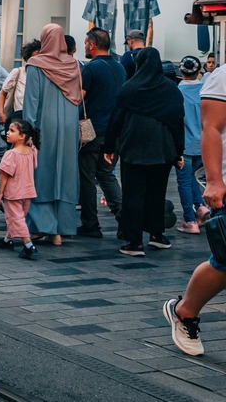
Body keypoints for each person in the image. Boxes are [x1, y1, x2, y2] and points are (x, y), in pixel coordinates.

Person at [163, 59, 226, 357]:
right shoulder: (222, 78)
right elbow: (211, 128)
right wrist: (213, 181)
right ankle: (185, 311)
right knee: (225, 262)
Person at [105, 47, 182, 256]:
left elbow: (116, 120)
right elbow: (177, 122)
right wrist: (178, 152)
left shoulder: (130, 88)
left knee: (133, 195)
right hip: (163, 149)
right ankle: (157, 235)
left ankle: (134, 242)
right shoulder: (171, 89)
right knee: (157, 194)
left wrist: (109, 146)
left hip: (134, 148)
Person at [23, 24, 82, 246]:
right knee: (65, 174)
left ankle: (43, 226)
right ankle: (62, 227)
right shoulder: (74, 65)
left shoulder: (36, 65)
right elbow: (77, 97)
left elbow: (31, 102)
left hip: (44, 127)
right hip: (69, 126)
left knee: (42, 173)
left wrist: (27, 132)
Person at [77, 28, 126, 238]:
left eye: (86, 42)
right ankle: (125, 220)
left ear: (92, 44)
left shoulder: (90, 69)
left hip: (93, 132)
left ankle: (90, 224)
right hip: (115, 132)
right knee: (106, 175)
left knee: (87, 177)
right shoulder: (120, 68)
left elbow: (77, 99)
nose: (85, 46)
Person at [0, 119, 40, 259]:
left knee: (17, 218)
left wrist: (0, 192)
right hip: (27, 191)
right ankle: (8, 240)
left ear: (22, 136)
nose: (7, 133)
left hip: (13, 192)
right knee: (18, 218)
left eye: (12, 130)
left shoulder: (11, 154)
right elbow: (35, 166)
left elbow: (4, 175)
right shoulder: (31, 151)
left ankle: (28, 245)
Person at [175, 56, 209, 234]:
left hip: (184, 144)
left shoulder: (176, 92)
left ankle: (190, 220)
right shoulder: (205, 90)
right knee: (192, 178)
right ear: (199, 71)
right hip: (203, 143)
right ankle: (201, 207)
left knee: (184, 182)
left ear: (181, 71)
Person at [0, 40, 41, 124]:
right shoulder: (18, 72)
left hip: (37, 119)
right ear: (27, 59)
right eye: (34, 58)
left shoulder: (44, 75)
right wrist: (0, 112)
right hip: (19, 119)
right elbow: (2, 93)